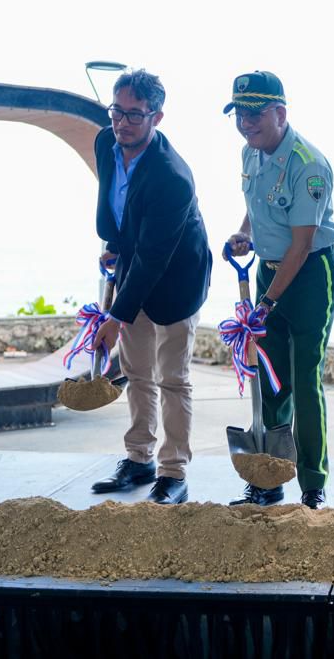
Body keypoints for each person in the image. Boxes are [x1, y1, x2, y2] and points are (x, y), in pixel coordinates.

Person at [89, 69, 212, 506]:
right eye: (116, 111)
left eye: (134, 116)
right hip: (133, 267)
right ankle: (138, 458)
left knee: (172, 378)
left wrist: (114, 317)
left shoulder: (172, 177)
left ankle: (173, 471)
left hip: (177, 278)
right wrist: (114, 246)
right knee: (137, 371)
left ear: (157, 117)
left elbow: (155, 257)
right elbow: (117, 206)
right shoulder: (106, 141)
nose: (121, 123)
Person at [224, 71, 334, 510]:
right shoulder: (251, 153)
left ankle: (313, 484)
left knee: (304, 380)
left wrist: (268, 302)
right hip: (269, 273)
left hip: (312, 275)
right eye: (239, 113)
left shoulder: (307, 164)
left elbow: (302, 243)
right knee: (270, 379)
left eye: (255, 114)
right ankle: (269, 478)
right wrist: (243, 235)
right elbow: (258, 205)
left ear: (281, 113)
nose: (245, 122)